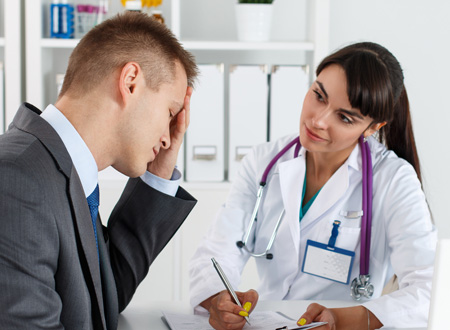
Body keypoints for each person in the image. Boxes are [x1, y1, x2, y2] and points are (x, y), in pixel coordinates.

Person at [189, 42, 436, 330]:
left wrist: (346, 319)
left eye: (344, 117)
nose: (318, 120)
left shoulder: (393, 180)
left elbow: (430, 289)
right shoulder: (263, 162)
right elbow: (218, 250)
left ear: (372, 128)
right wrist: (218, 298)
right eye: (318, 95)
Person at [0, 12, 198, 330]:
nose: (167, 136)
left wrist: (159, 173)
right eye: (169, 112)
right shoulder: (17, 180)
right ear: (130, 82)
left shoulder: (63, 170)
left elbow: (101, 300)